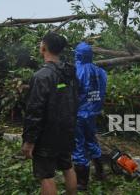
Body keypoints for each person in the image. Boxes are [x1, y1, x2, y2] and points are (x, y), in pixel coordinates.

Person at [22, 32, 79, 195]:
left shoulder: (41, 76)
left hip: (47, 135)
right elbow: (75, 99)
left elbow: (34, 111)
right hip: (67, 129)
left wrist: (29, 141)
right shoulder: (70, 73)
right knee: (68, 167)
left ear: (44, 48)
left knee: (46, 176)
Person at [72, 42, 107, 191]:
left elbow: (70, 92)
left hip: (78, 115)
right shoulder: (101, 72)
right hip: (93, 113)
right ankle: (100, 172)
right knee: (91, 141)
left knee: (78, 145)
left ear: (78, 54)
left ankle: (82, 183)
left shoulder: (76, 71)